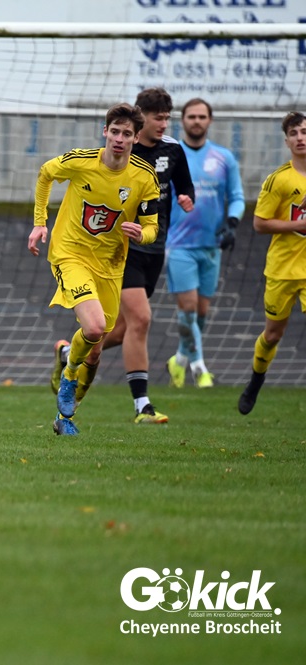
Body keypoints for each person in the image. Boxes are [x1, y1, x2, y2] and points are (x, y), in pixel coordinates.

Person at [58, 88, 195, 425]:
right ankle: (141, 404)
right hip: (120, 250)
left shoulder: (172, 150)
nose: (163, 124)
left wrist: (186, 198)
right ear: (140, 119)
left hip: (154, 246)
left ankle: (69, 353)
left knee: (113, 331)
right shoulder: (117, 153)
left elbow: (184, 185)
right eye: (158, 118)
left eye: (167, 118)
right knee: (141, 319)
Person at [30, 103, 160, 436]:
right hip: (71, 254)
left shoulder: (144, 177)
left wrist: (141, 234)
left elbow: (152, 226)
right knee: (95, 327)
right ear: (105, 131)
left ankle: (65, 415)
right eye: (114, 131)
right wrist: (40, 223)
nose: (119, 139)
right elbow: (45, 173)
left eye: (126, 134)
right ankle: (69, 375)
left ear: (135, 138)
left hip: (111, 265)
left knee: (96, 349)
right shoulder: (81, 161)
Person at [165, 98, 245, 389]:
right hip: (178, 245)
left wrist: (232, 223)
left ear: (209, 120)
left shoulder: (224, 157)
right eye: (191, 116)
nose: (196, 121)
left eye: (202, 116)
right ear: (182, 120)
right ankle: (199, 369)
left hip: (212, 246)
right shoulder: (171, 156)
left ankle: (179, 360)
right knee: (187, 309)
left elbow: (237, 197)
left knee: (200, 313)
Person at [237, 111, 306, 415]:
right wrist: (297, 225)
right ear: (287, 141)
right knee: (273, 335)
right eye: (294, 133)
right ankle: (256, 379)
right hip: (282, 269)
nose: (300, 138)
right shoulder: (279, 180)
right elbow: (260, 223)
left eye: (304, 131)